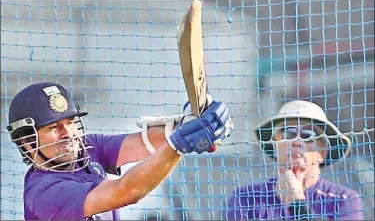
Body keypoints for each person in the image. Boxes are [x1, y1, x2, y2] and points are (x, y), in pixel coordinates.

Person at [6, 81, 233, 220]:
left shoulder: (87, 148)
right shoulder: (44, 193)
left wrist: (197, 125)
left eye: (71, 122)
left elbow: (148, 142)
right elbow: (126, 191)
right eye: (54, 128)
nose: (69, 133)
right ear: (28, 142)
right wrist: (181, 143)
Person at [226, 100, 364, 220]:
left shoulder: (344, 200)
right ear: (275, 145)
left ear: (323, 151)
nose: (296, 141)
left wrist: (297, 203)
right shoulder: (245, 198)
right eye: (287, 133)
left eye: (308, 135)